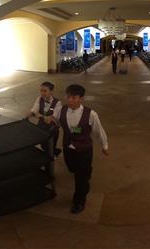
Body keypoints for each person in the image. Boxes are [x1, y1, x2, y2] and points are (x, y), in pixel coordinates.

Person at [48, 84, 108, 214]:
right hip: (68, 147)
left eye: (74, 97)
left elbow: (98, 131)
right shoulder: (61, 110)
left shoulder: (91, 114)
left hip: (84, 149)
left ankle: (79, 201)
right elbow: (56, 122)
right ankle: (86, 172)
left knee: (80, 177)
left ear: (81, 98)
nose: (70, 100)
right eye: (68, 97)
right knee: (72, 168)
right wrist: (51, 122)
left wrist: (104, 145)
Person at [29, 81, 62, 157]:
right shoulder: (39, 98)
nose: (42, 93)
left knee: (51, 146)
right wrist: (33, 114)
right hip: (41, 126)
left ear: (51, 91)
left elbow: (50, 120)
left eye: (45, 91)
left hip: (52, 129)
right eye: (41, 91)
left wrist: (38, 115)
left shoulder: (58, 103)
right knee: (42, 143)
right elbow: (33, 110)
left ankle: (53, 155)